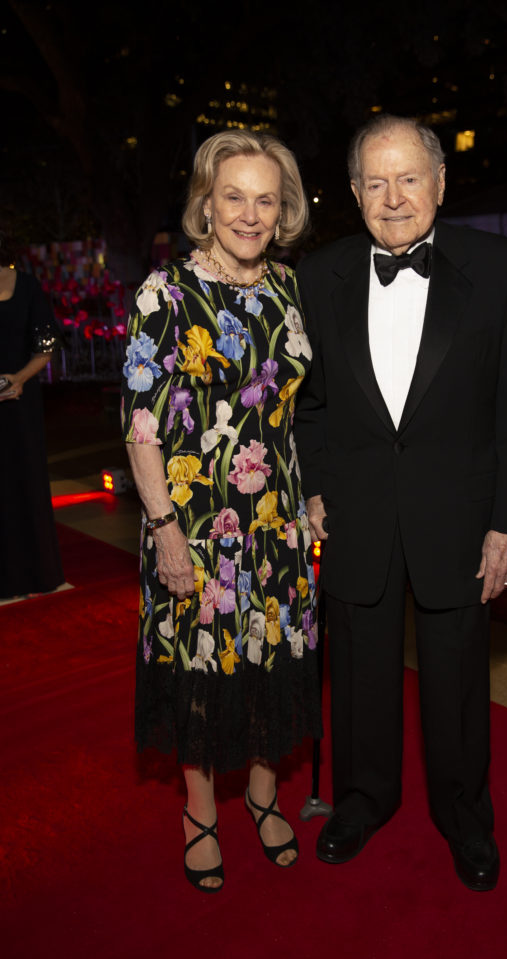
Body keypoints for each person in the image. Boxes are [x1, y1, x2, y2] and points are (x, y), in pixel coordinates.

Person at [294, 115, 507, 891]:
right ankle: (362, 801)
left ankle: (465, 816)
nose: (393, 197)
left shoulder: (498, 266)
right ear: (353, 192)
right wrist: (312, 486)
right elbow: (309, 404)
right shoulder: (318, 274)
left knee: (458, 680)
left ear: (439, 182)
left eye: (408, 179)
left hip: (461, 518)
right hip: (356, 513)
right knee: (358, 673)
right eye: (375, 182)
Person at [121, 130, 321, 891]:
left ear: (283, 210)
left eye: (265, 199)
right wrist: (165, 532)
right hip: (197, 523)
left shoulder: (289, 288)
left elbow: (298, 411)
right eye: (233, 196)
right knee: (200, 667)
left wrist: (311, 497)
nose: (249, 214)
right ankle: (199, 811)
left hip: (277, 520)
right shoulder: (165, 293)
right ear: (205, 203)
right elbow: (141, 426)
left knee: (272, 658)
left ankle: (265, 796)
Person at [0, 234, 64, 600]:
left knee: (25, 480)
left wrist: (19, 379)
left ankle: (34, 574)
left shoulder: (26, 286)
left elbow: (46, 345)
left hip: (21, 402)